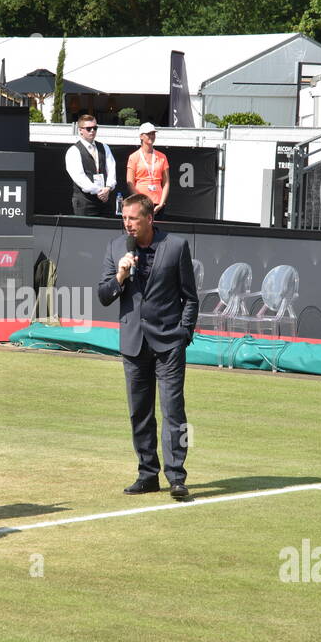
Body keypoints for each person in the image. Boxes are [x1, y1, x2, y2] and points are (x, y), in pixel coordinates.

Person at [96, 193, 198, 500]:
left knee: (173, 412)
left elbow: (190, 297)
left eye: (133, 219)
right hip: (133, 343)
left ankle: (177, 477)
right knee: (139, 413)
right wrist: (120, 275)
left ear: (149, 218)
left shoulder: (176, 246)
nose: (127, 224)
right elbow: (103, 295)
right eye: (124, 218)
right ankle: (147, 474)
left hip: (169, 344)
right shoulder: (116, 248)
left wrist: (184, 334)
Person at [65, 113, 116, 216]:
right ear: (80, 130)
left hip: (105, 200)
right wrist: (99, 190)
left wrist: (108, 187)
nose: (92, 131)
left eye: (95, 128)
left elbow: (111, 169)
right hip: (85, 203)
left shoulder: (104, 147)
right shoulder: (73, 151)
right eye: (88, 128)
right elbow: (79, 177)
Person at [126, 123, 170, 214]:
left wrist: (161, 203)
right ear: (141, 136)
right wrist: (139, 202)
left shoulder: (162, 156)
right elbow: (130, 182)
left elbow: (166, 182)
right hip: (141, 203)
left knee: (157, 227)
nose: (151, 136)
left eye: (153, 133)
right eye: (148, 134)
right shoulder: (133, 157)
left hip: (158, 202)